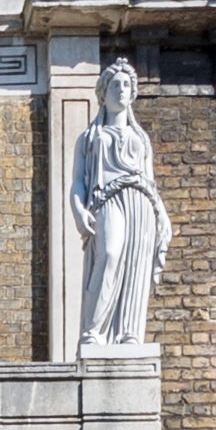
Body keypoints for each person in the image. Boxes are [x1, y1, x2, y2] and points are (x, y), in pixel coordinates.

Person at [71, 56, 167, 353]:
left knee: (135, 265)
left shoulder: (141, 137)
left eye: (126, 85)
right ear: (103, 93)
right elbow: (78, 182)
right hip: (106, 200)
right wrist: (78, 210)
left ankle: (129, 333)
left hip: (141, 201)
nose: (121, 90)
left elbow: (150, 181)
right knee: (110, 254)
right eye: (115, 85)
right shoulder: (89, 137)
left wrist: (161, 213)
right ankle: (93, 330)